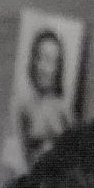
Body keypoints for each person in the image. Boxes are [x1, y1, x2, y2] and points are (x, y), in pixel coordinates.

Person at [10, 28, 72, 168]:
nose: (43, 68)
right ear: (33, 60)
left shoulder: (64, 109)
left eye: (50, 61)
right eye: (39, 57)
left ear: (58, 68)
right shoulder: (23, 108)